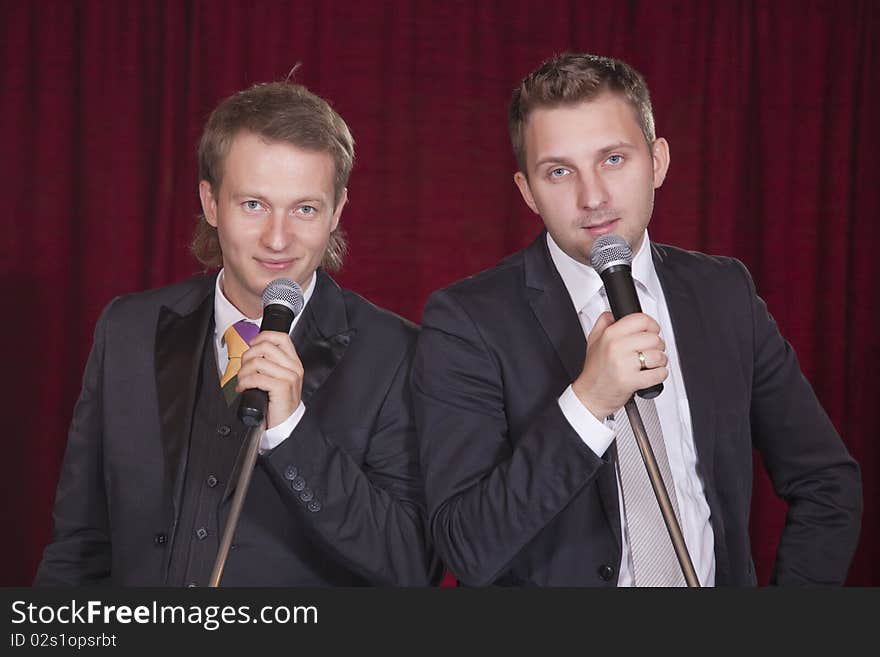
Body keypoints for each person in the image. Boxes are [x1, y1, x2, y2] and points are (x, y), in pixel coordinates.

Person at [412, 53, 862, 586]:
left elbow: (827, 481)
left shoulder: (723, 294)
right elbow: (467, 546)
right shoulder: (465, 321)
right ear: (527, 192)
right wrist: (588, 402)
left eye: (614, 159)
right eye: (559, 171)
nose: (593, 197)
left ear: (658, 161)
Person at [36, 81, 439, 586]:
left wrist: (291, 432)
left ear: (337, 211)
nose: (277, 237)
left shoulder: (399, 354)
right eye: (253, 204)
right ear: (211, 202)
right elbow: (79, 544)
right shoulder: (126, 330)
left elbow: (411, 562)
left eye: (305, 209)